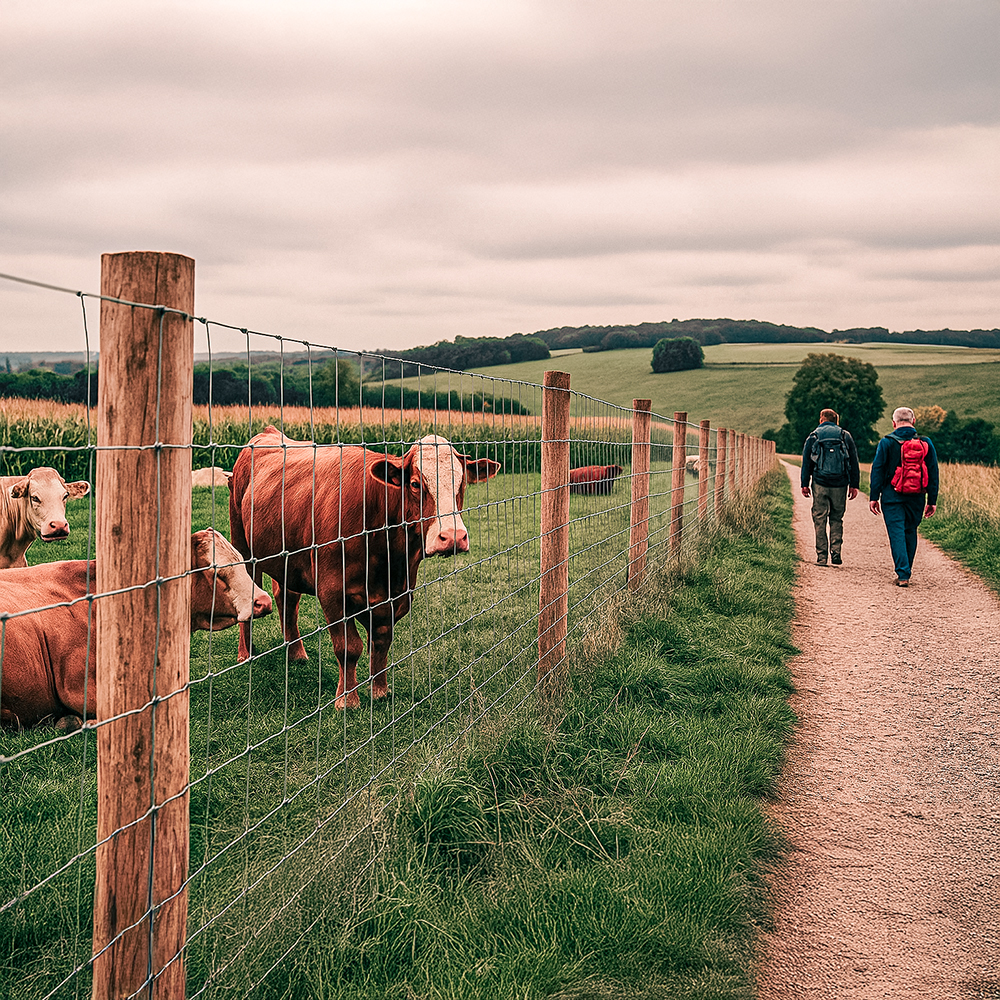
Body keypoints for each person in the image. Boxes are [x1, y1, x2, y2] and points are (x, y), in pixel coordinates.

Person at [869, 406, 939, 587]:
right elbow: (933, 472)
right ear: (913, 421)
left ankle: (903, 574)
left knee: (896, 532)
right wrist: (932, 500)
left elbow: (877, 470)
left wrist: (874, 496)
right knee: (910, 531)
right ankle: (906, 570)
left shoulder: (886, 442)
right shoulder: (926, 442)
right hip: (917, 496)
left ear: (894, 423)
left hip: (892, 496)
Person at [801, 408, 860, 565]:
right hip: (840, 483)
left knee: (819, 518)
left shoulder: (814, 435)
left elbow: (806, 462)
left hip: (820, 482)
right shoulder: (844, 435)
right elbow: (853, 461)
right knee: (836, 518)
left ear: (821, 420)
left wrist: (804, 484)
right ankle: (836, 552)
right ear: (836, 421)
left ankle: (821, 556)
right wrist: (854, 484)